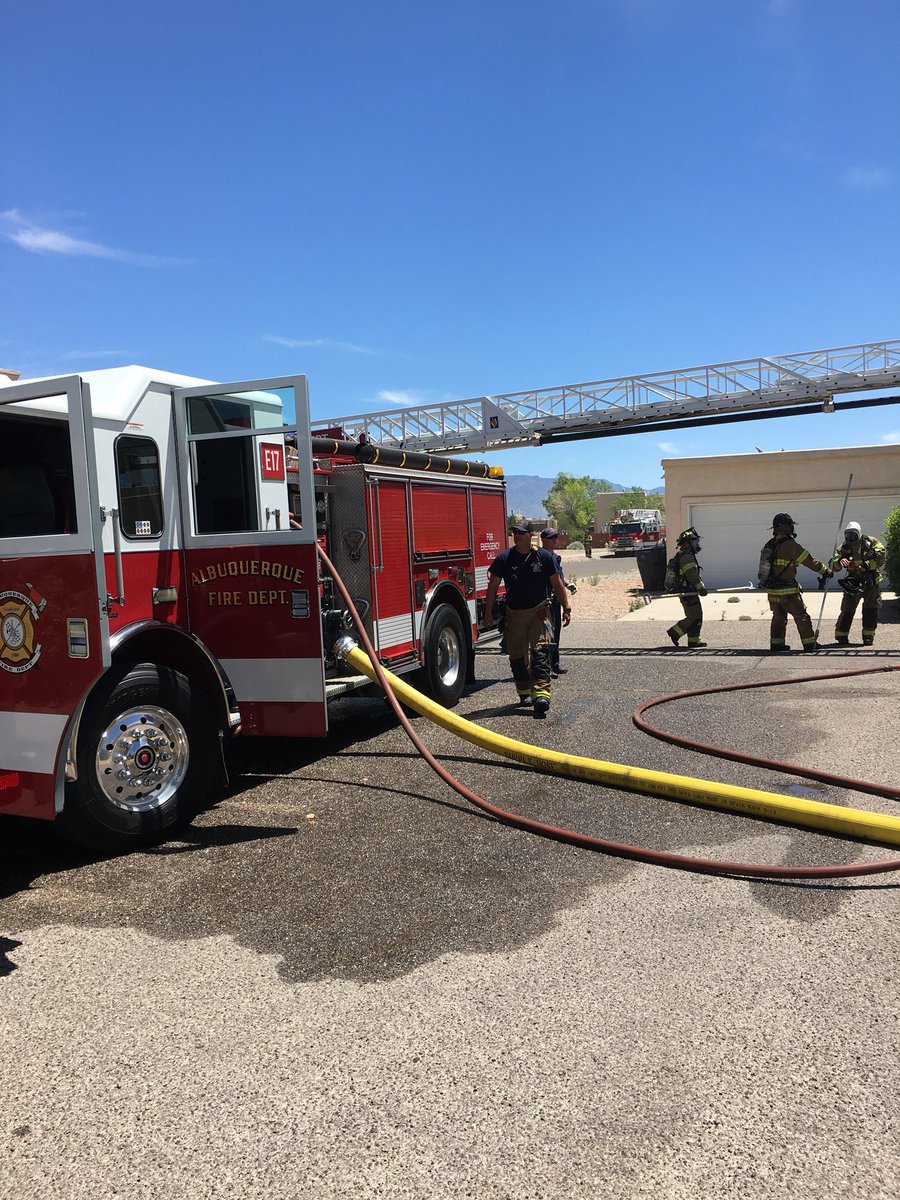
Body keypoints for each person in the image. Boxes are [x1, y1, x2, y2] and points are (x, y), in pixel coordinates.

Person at [484, 522, 572, 716]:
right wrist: (487, 613)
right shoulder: (504, 558)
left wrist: (566, 608)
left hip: (539, 613)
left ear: (531, 534)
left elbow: (557, 584)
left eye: (521, 533)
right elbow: (492, 587)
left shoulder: (544, 557)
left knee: (540, 653)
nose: (517, 535)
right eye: (515, 532)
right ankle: (524, 690)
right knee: (517, 657)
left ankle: (541, 695)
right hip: (514, 615)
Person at [759, 513, 831, 653]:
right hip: (788, 591)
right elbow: (809, 561)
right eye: (790, 525)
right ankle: (810, 644)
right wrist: (825, 571)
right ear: (786, 527)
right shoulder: (790, 546)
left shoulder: (768, 545)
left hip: (772, 591)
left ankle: (776, 644)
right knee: (801, 616)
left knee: (778, 617)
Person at [829, 520, 886, 646]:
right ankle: (841, 635)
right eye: (848, 534)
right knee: (847, 609)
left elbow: (881, 557)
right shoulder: (844, 547)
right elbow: (833, 565)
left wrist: (866, 566)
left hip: (870, 581)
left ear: (859, 533)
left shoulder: (871, 542)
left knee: (870, 609)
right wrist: (839, 562)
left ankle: (868, 636)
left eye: (853, 534)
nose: (850, 537)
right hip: (853, 582)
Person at [540, 528, 577, 676]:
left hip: (555, 600)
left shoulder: (555, 557)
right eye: (551, 538)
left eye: (555, 537)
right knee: (546, 635)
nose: (555, 540)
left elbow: (558, 578)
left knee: (555, 633)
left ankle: (555, 664)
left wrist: (567, 584)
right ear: (543, 540)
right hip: (545, 601)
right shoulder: (540, 557)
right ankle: (546, 667)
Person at [665, 527, 708, 648]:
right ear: (689, 543)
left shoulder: (684, 555)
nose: (697, 544)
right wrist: (701, 588)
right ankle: (675, 632)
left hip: (687, 591)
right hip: (687, 592)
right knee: (694, 617)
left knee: (696, 616)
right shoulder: (687, 557)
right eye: (695, 541)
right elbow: (692, 575)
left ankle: (694, 640)